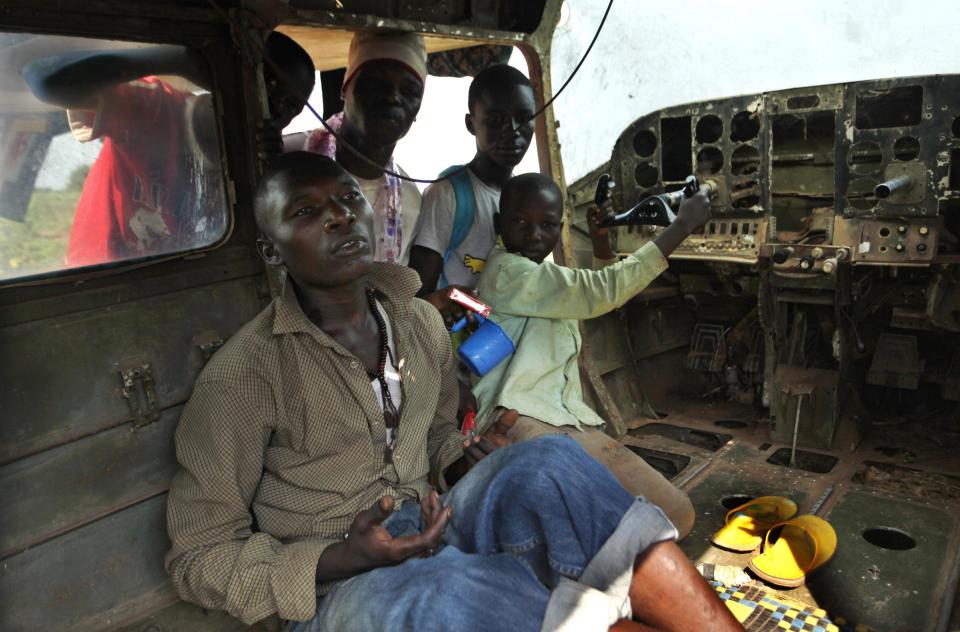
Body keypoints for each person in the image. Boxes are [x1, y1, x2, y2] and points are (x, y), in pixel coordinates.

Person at [164, 152, 742, 632]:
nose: (340, 218)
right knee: (446, 593)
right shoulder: (244, 372)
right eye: (308, 212)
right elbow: (198, 557)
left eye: (349, 200)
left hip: (431, 523)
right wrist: (339, 558)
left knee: (549, 461)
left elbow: (438, 438)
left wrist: (459, 462)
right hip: (332, 586)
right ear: (272, 248)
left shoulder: (416, 320)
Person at [471, 173, 712, 539]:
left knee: (676, 514)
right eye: (521, 222)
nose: (535, 234)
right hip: (519, 416)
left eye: (548, 225)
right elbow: (599, 291)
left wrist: (601, 241)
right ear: (498, 224)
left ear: (560, 227)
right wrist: (681, 227)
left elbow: (592, 293)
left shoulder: (543, 276)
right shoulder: (507, 273)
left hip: (564, 418)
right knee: (610, 530)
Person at [21, 32, 314, 267]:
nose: (276, 107)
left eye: (291, 106)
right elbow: (43, 80)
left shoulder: (258, 158)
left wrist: (271, 173)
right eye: (269, 84)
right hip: (95, 283)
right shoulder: (153, 108)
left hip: (174, 286)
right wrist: (180, 60)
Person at [408, 64, 535, 315]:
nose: (512, 132)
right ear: (471, 123)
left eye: (524, 119)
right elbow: (418, 300)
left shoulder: (526, 198)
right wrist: (455, 299)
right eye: (496, 121)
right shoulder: (449, 194)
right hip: (454, 342)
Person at [303, 31, 425, 266]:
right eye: (375, 84)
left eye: (409, 91)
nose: (392, 97)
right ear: (344, 88)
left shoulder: (409, 200)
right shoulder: (292, 157)